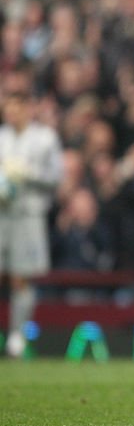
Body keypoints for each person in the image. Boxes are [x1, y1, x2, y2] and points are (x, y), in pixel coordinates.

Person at [0, 86, 63, 357]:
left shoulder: (46, 138)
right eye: (7, 107)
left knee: (21, 276)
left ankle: (17, 335)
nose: (11, 112)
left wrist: (28, 172)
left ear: (28, 108)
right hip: (1, 212)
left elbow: (56, 177)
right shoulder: (1, 137)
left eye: (16, 106)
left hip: (28, 215)